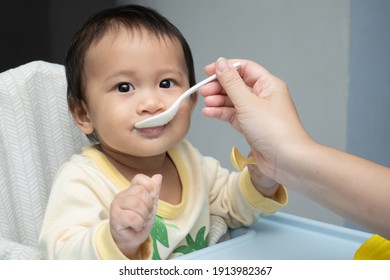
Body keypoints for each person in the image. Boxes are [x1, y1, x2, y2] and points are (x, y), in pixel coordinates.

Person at [38, 6, 287, 260]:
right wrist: (116, 240)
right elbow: (60, 256)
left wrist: (262, 179)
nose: (152, 102)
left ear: (190, 101)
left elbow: (232, 206)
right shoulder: (82, 180)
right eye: (124, 87)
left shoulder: (189, 160)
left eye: (166, 83)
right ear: (84, 115)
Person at [201, 57, 390, 242]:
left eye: (170, 83)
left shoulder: (199, 171)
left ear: (192, 98)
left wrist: (260, 183)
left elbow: (232, 205)